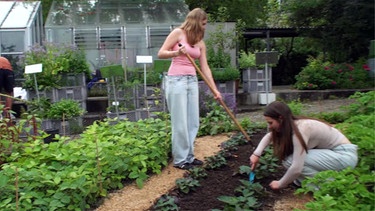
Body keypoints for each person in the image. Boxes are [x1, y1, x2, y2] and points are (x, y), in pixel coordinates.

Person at [158, 8, 222, 170]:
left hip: (192, 81)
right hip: (176, 81)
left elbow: (205, 68)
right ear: (195, 21)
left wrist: (215, 90)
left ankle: (189, 156)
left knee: (193, 121)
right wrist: (177, 53)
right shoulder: (178, 33)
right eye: (204, 23)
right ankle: (180, 160)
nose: (205, 27)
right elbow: (161, 53)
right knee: (180, 122)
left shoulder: (200, 41)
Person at [249, 101, 358, 190]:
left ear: (280, 118)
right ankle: (316, 181)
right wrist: (256, 154)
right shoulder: (292, 125)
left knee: (291, 161)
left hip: (344, 156)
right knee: (292, 163)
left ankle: (327, 184)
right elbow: (269, 136)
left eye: (270, 123)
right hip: (335, 155)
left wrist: (280, 183)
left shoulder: (300, 130)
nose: (270, 127)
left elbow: (296, 168)